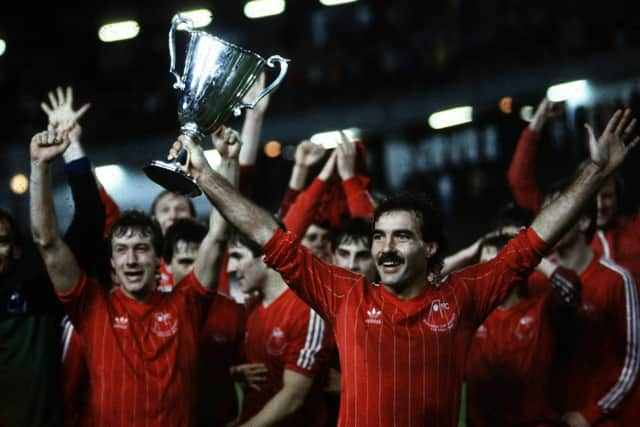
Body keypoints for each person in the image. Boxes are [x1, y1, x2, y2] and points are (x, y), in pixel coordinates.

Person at [168, 108, 639, 426]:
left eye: (401, 236)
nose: (386, 248)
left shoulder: (463, 295)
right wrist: (206, 175)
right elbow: (264, 232)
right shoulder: (344, 294)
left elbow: (537, 237)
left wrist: (595, 172)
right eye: (379, 236)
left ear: (431, 247)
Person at [29, 121, 229, 426]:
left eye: (141, 248)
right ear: (111, 263)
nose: (132, 259)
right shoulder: (90, 306)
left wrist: (225, 162)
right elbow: (48, 242)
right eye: (121, 250)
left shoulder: (186, 303)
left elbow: (217, 236)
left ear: (158, 258)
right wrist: (40, 166)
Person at [464, 231, 581, 427]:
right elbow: (425, 286)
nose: (484, 273)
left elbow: (571, 286)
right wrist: (470, 252)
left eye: (493, 265)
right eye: (481, 265)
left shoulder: (541, 308)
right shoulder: (470, 312)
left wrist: (529, 254)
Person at [226, 230, 332, 427]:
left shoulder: (306, 309)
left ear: (266, 258)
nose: (230, 268)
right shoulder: (252, 307)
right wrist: (235, 373)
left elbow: (293, 397)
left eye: (238, 256)